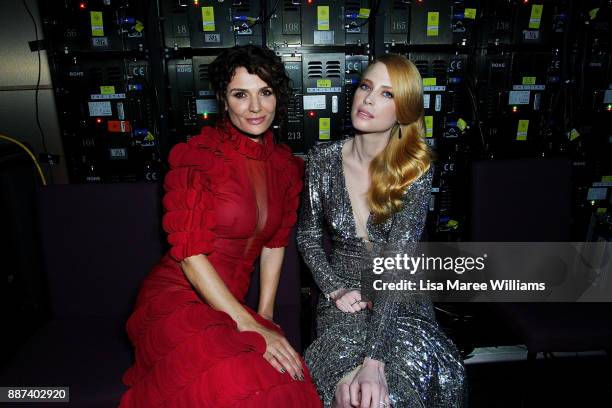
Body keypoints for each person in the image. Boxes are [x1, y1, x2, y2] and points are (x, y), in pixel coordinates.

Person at [120, 45, 321, 407]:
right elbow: (190, 256)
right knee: (236, 385)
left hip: (232, 304)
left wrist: (265, 317)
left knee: (286, 381)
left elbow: (275, 244)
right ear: (222, 101)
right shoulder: (198, 157)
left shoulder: (286, 167)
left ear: (278, 97)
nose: (255, 107)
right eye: (240, 95)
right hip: (178, 296)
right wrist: (249, 326)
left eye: (265, 92)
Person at [297, 54, 465, 408]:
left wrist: (373, 360)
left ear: (404, 111)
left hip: (400, 299)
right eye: (366, 87)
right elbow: (308, 235)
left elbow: (397, 262)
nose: (369, 100)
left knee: (391, 394)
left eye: (387, 95)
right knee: (343, 392)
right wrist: (333, 288)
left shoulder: (414, 169)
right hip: (343, 297)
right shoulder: (322, 160)